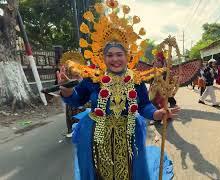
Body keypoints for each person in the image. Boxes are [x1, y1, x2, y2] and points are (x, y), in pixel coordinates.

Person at [57, 2, 179, 179]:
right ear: (103, 57)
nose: (115, 59)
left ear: (127, 56)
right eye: (110, 55)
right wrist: (68, 92)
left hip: (128, 135)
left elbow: (144, 105)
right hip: (96, 135)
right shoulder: (93, 78)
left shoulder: (136, 80)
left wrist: (156, 114)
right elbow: (78, 99)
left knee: (129, 172)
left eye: (119, 54)